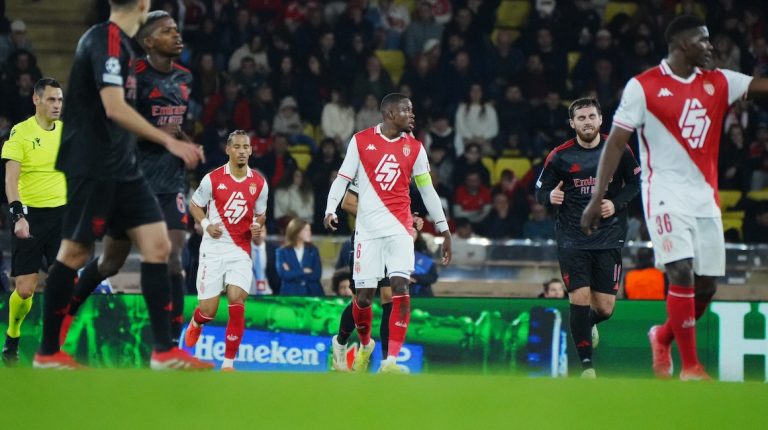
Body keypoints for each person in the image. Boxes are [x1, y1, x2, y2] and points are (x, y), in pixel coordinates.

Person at [581, 15, 767, 380]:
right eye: (704, 40)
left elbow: (761, 87)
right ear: (683, 45)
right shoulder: (643, 86)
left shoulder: (720, 81)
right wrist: (596, 196)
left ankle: (662, 336)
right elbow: (616, 142)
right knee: (680, 270)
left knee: (707, 285)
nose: (712, 47)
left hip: (705, 198)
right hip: (663, 193)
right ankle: (692, 367)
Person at [33, 0, 207, 370]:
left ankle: (163, 351)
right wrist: (169, 141)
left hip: (125, 169)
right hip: (93, 165)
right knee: (76, 254)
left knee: (159, 246)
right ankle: (48, 352)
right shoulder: (105, 41)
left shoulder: (124, 47)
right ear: (143, 5)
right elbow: (113, 107)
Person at [324, 93, 452, 373]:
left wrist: (443, 228)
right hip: (367, 234)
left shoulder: (416, 148)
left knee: (397, 292)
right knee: (363, 298)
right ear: (391, 114)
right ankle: (352, 342)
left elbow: (427, 190)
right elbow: (344, 186)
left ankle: (390, 361)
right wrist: (330, 209)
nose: (413, 115)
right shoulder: (361, 143)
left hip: (399, 231)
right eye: (408, 110)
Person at [536, 97, 640, 378]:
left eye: (591, 117)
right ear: (572, 124)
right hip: (572, 238)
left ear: (600, 119)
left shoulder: (617, 148)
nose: (587, 122)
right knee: (579, 299)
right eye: (581, 118)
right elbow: (540, 189)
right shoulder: (559, 155)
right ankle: (586, 367)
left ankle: (586, 324)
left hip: (609, 237)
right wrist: (550, 196)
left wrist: (615, 203)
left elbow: (634, 183)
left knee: (604, 309)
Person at [183, 130, 268, 371]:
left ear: (251, 150)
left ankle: (228, 362)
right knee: (208, 310)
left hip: (240, 250)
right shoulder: (212, 179)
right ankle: (197, 322)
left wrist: (257, 226)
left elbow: (261, 214)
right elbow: (194, 205)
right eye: (237, 147)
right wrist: (207, 225)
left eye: (246, 147)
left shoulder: (259, 183)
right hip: (213, 249)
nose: (242, 151)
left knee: (236, 299)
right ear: (228, 150)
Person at [329, 173, 424, 372]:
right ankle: (340, 343)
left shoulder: (406, 179)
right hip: (366, 239)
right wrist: (382, 219)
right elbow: (347, 203)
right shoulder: (369, 169)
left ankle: (387, 363)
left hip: (391, 241)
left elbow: (402, 212)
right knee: (362, 299)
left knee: (389, 296)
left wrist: (412, 220)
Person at [1, 78, 64, 366]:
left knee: (63, 282)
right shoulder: (21, 133)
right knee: (25, 289)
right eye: (51, 100)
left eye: (60, 100)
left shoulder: (66, 133)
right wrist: (18, 216)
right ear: (36, 101)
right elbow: (10, 179)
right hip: (30, 216)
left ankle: (52, 348)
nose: (57, 106)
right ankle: (12, 335)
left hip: (62, 214)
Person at [275, 218, 323, 296]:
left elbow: (317, 275)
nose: (309, 233)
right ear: (296, 231)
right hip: (290, 295)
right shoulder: (282, 252)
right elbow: (284, 274)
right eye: (306, 230)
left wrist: (292, 272)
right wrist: (304, 271)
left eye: (309, 230)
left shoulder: (313, 251)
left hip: (311, 294)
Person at [250, 224, 279, 295]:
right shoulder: (243, 250)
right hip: (249, 294)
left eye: (262, 231)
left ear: (266, 232)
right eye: (256, 232)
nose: (259, 234)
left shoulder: (275, 250)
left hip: (270, 293)